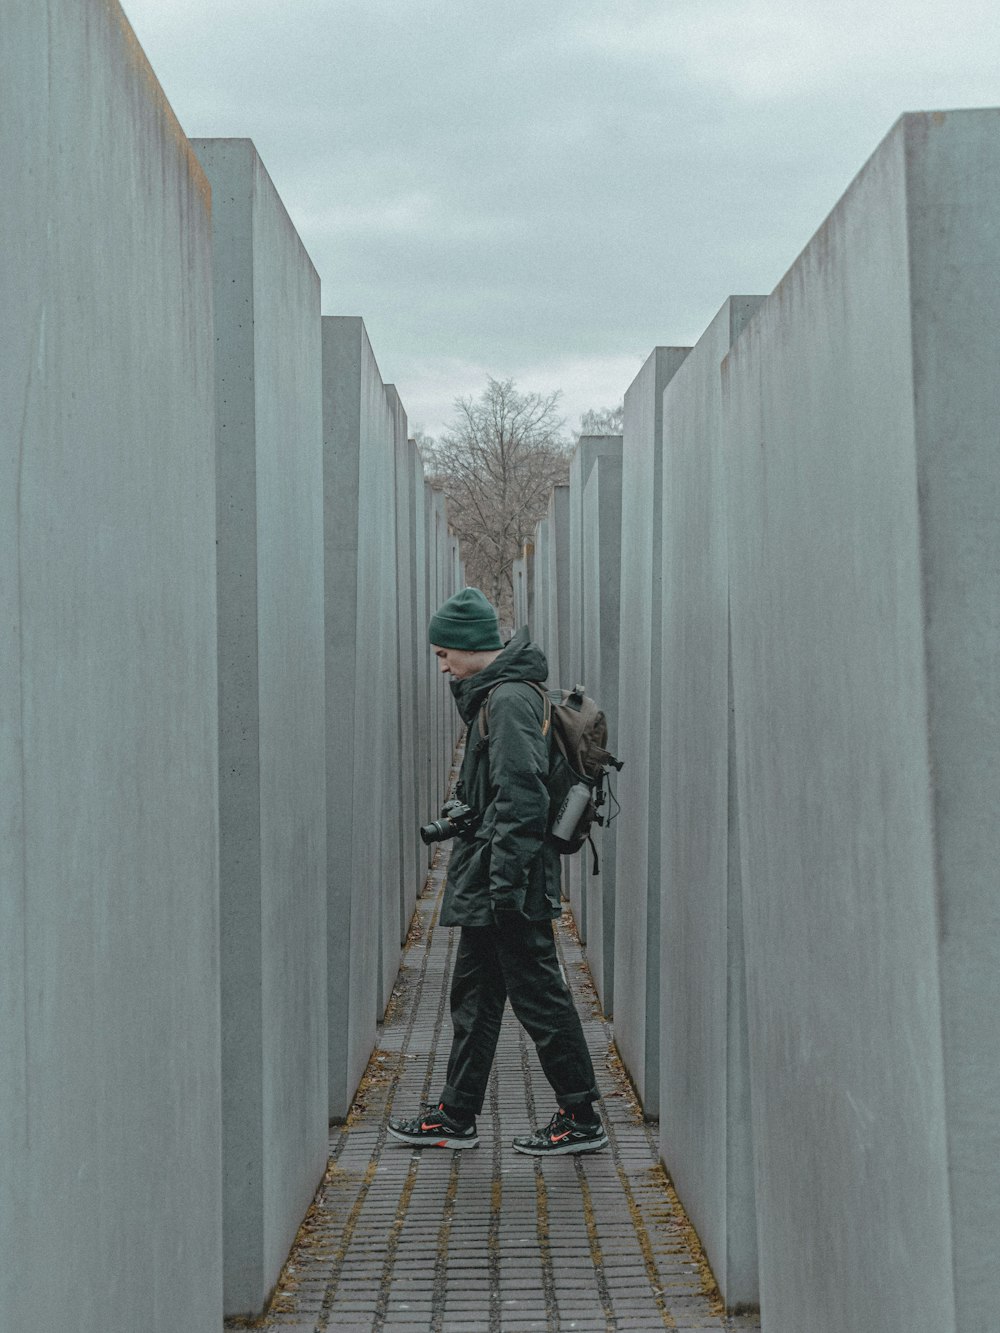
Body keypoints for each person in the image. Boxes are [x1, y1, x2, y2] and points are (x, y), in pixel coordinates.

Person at [388, 587, 608, 1156]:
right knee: (476, 997)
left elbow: (523, 799)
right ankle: (457, 1114)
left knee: (539, 997)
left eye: (444, 654)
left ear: (470, 647)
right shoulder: (499, 695)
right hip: (496, 873)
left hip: (509, 879)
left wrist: (505, 886)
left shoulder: (508, 699)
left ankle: (581, 1118)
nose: (441, 666)